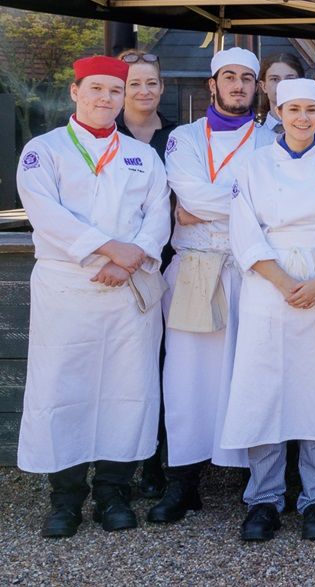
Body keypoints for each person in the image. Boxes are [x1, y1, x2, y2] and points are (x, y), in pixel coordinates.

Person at [17, 55, 171, 538]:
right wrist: (107, 250)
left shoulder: (141, 155)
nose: (106, 99)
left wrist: (132, 257)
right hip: (68, 288)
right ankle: (65, 498)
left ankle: (112, 492)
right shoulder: (43, 151)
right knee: (65, 388)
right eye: (97, 89)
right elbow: (47, 214)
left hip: (128, 291)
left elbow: (158, 214)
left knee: (127, 389)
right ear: (75, 91)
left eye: (115, 91)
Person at [221, 78, 315, 542]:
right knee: (265, 393)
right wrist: (284, 283)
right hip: (268, 288)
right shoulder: (253, 166)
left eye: (311, 110)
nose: (303, 118)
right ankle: (264, 499)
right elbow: (245, 232)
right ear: (278, 111)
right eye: (294, 109)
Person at [149, 47, 265, 525]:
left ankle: (256, 484)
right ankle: (183, 483)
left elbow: (273, 203)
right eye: (228, 77)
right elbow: (190, 191)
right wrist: (242, 203)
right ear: (212, 85)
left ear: (257, 87)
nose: (238, 85)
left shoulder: (274, 137)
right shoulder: (184, 137)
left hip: (253, 270)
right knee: (187, 377)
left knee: (250, 372)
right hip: (197, 267)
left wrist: (207, 206)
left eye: (246, 79)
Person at [114, 47, 176, 502]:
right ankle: (117, 465)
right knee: (124, 372)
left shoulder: (175, 138)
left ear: (162, 87)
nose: (143, 90)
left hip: (169, 265)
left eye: (150, 82)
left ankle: (157, 463)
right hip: (114, 268)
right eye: (133, 82)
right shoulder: (101, 134)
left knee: (162, 368)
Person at [116, 49, 176, 154]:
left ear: (161, 86)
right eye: (134, 84)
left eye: (152, 83)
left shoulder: (178, 135)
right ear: (121, 88)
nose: (144, 91)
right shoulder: (108, 133)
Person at [258, 52, 304, 135]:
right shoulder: (253, 135)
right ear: (263, 86)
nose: (282, 85)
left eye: (289, 79)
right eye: (275, 79)